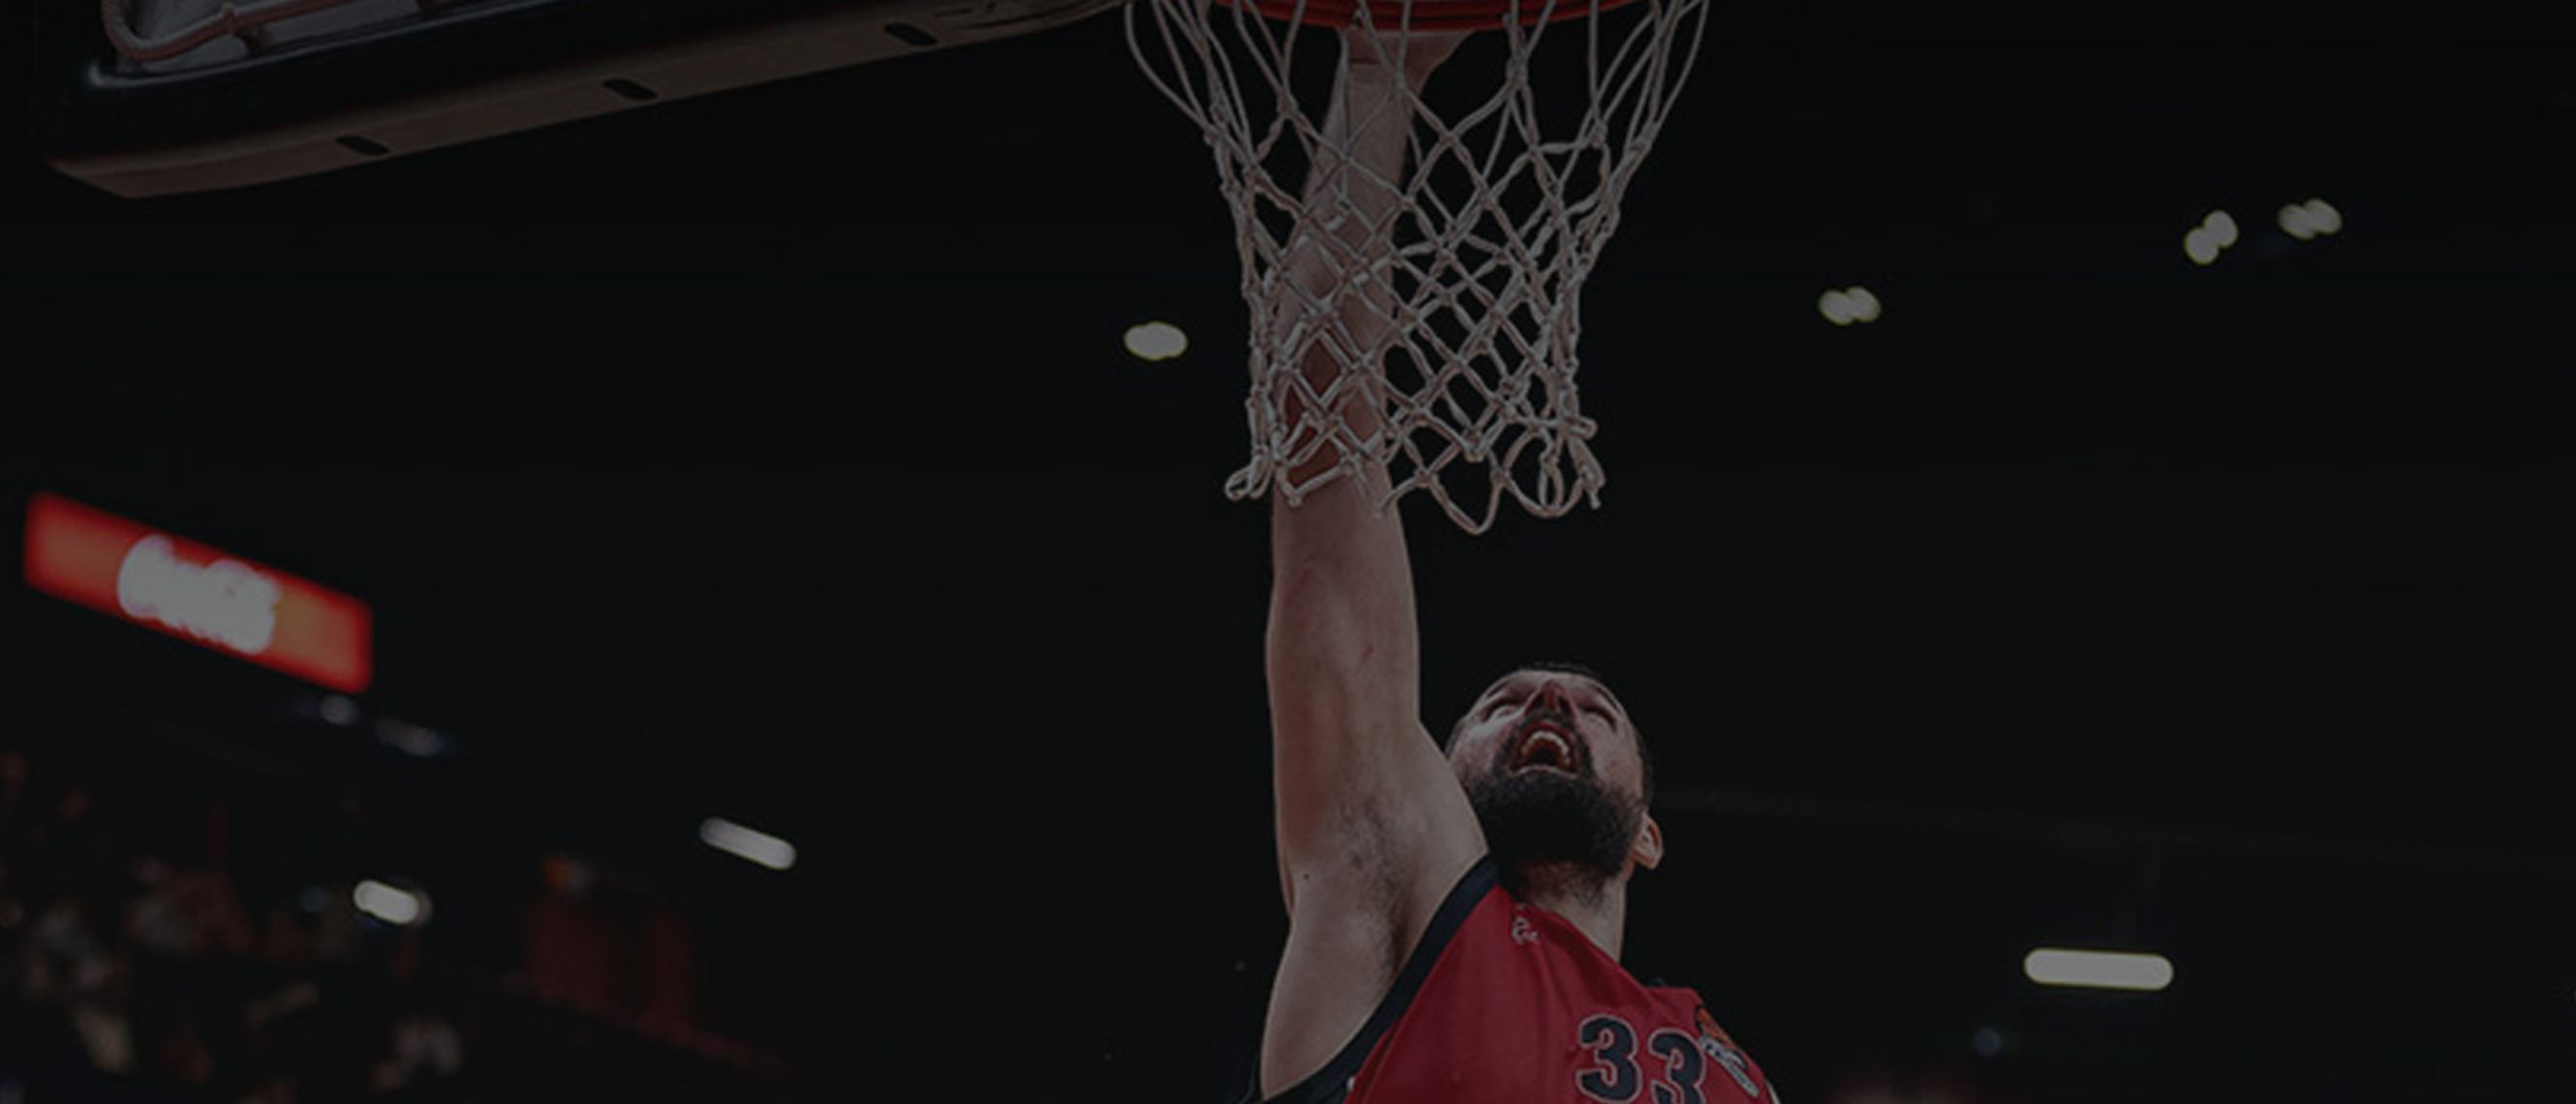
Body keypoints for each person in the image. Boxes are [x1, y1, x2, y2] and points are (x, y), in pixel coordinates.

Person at [1249, 23, 1781, 1104]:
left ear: (1648, 835)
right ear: (1430, 780)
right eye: (1497, 703)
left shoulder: (1729, 1067)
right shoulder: (1396, 882)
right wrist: (1377, 74)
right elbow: (1321, 434)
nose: (1545, 697)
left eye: (1596, 709)